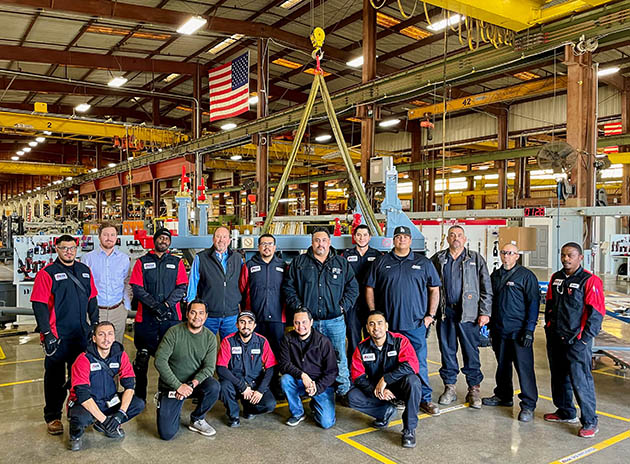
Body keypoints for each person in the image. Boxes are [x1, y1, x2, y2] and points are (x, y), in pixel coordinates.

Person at [365, 225, 441, 416]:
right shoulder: (382, 262)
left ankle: (424, 399)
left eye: (405, 237)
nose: (402, 240)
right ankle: (396, 395)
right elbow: (369, 288)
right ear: (393, 240)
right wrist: (374, 314)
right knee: (390, 364)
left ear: (410, 240)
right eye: (398, 236)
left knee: (419, 362)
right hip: (389, 327)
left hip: (415, 325)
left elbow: (435, 289)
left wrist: (430, 316)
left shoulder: (423, 263)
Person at [31, 234, 99, 435]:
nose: (68, 251)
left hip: (81, 335)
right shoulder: (48, 273)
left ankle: (78, 413)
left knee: (81, 377)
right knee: (55, 379)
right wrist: (46, 333)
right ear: (57, 249)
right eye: (64, 248)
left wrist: (94, 325)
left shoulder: (84, 271)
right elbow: (39, 305)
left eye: (72, 248)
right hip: (58, 336)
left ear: (76, 249)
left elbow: (92, 299)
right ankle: (52, 416)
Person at [283, 228, 358, 399]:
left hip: (335, 321)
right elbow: (289, 287)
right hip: (308, 323)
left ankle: (343, 390)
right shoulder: (299, 263)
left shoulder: (341, 263)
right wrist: (300, 308)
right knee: (305, 357)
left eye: (324, 240)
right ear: (312, 242)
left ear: (329, 242)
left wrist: (342, 307)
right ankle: (305, 387)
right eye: (317, 240)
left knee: (338, 355)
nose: (320, 244)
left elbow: (353, 288)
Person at [544, 242, 605, 438]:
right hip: (556, 337)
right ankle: (565, 411)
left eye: (570, 255)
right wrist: (549, 328)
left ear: (580, 258)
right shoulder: (556, 278)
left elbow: (596, 313)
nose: (566, 259)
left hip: (577, 340)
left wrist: (585, 340)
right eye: (563, 255)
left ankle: (589, 421)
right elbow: (550, 304)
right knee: (559, 376)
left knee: (581, 381)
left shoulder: (590, 280)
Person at [430, 225, 492, 409]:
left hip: (469, 314)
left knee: (470, 351)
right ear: (447, 238)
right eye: (452, 235)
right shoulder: (439, 259)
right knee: (447, 350)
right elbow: (429, 285)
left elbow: (486, 287)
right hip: (445, 313)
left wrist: (485, 312)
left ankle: (474, 388)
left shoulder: (475, 259)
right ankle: (450, 387)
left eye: (459, 235)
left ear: (465, 239)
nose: (455, 238)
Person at [129, 227, 188, 401]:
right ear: (154, 240)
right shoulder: (142, 262)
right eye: (160, 238)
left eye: (166, 239)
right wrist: (155, 306)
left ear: (170, 242)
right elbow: (137, 288)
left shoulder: (177, 263)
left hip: (171, 319)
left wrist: (167, 305)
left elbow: (182, 286)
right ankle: (140, 396)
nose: (163, 241)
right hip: (146, 319)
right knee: (142, 358)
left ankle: (168, 393)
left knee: (171, 358)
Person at [483, 243, 540, 422]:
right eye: (504, 252)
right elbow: (489, 300)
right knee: (503, 366)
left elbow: (533, 304)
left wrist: (529, 330)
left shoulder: (526, 276)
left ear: (517, 256)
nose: (506, 256)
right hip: (500, 330)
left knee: (524, 369)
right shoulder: (496, 275)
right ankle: (503, 396)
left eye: (510, 253)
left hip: (519, 332)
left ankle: (528, 405)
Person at [67, 321, 145, 451]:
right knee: (80, 418)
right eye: (101, 334)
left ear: (114, 337)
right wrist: (105, 420)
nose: (106, 338)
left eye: (110, 334)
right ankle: (75, 436)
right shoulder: (83, 359)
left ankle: (107, 422)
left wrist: (120, 414)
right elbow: (83, 395)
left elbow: (130, 386)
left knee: (138, 403)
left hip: (109, 401)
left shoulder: (120, 355)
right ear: (94, 338)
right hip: (86, 403)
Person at [348, 312, 422, 448]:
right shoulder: (361, 348)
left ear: (386, 326)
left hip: (400, 387)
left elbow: (412, 365)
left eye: (380, 323)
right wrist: (376, 389)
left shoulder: (400, 341)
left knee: (414, 381)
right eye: (372, 324)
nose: (376, 327)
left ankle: (409, 430)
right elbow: (357, 377)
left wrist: (386, 379)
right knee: (353, 396)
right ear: (367, 328)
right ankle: (384, 412)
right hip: (378, 390)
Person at [154, 299, 220, 440]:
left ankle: (197, 418)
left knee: (214, 386)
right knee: (167, 434)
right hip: (172, 386)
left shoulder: (210, 338)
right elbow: (160, 361)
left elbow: (209, 368)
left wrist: (191, 385)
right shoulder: (174, 333)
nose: (197, 317)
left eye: (201, 313)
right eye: (193, 312)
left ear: (206, 316)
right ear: (187, 314)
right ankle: (170, 406)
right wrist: (178, 386)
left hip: (193, 385)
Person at [279, 308, 338, 429]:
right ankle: (298, 413)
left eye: (304, 322)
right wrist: (302, 375)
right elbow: (284, 364)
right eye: (297, 322)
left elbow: (332, 371)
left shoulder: (323, 342)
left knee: (327, 423)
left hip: (320, 384)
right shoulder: (288, 339)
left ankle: (315, 404)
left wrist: (317, 387)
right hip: (300, 381)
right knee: (285, 380)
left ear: (311, 322)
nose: (301, 326)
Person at [217, 311, 277, 427]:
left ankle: (248, 408)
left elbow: (270, 368)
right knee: (223, 387)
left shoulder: (262, 342)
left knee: (269, 404)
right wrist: (242, 387)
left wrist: (260, 390)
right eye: (242, 322)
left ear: (254, 325)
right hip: (235, 383)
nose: (246, 326)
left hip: (255, 383)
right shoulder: (228, 341)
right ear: (237, 325)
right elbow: (221, 368)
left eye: (250, 322)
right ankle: (233, 415)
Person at [187, 226, 244, 338]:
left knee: (229, 348)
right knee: (204, 345)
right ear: (213, 239)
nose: (221, 240)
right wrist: (191, 304)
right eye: (218, 236)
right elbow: (193, 282)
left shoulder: (238, 258)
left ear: (229, 240)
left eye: (224, 237)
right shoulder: (201, 258)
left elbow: (243, 282)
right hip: (208, 313)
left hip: (231, 314)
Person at [81, 222, 131, 344]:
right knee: (93, 345)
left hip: (118, 310)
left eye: (112, 235)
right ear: (99, 236)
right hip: (95, 311)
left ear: (116, 237)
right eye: (105, 234)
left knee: (116, 345)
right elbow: (83, 286)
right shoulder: (87, 259)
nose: (109, 238)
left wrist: (126, 306)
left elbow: (127, 283)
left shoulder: (124, 259)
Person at [239, 233, 286, 356]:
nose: (267, 247)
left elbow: (288, 290)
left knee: (277, 350)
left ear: (275, 247)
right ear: (258, 247)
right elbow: (241, 288)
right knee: (255, 350)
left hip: (277, 317)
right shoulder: (249, 265)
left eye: (270, 244)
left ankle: (275, 375)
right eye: (263, 244)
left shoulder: (283, 266)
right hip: (255, 317)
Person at [342, 224, 381, 366]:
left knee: (373, 336)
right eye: (359, 235)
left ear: (370, 237)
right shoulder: (346, 255)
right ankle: (354, 370)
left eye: (365, 235)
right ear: (354, 237)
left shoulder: (377, 256)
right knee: (353, 337)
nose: (362, 238)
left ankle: (372, 368)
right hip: (352, 304)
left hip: (371, 304)